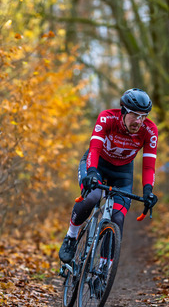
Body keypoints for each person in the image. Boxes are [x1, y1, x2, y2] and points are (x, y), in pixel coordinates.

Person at [59, 88, 159, 264]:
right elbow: (95, 148)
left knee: (117, 217)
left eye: (143, 116)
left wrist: (148, 191)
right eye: (134, 115)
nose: (139, 121)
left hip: (122, 173)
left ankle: (104, 268)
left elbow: (149, 165)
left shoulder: (150, 130)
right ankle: (71, 237)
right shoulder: (107, 118)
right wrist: (91, 172)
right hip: (97, 164)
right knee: (92, 197)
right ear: (123, 111)